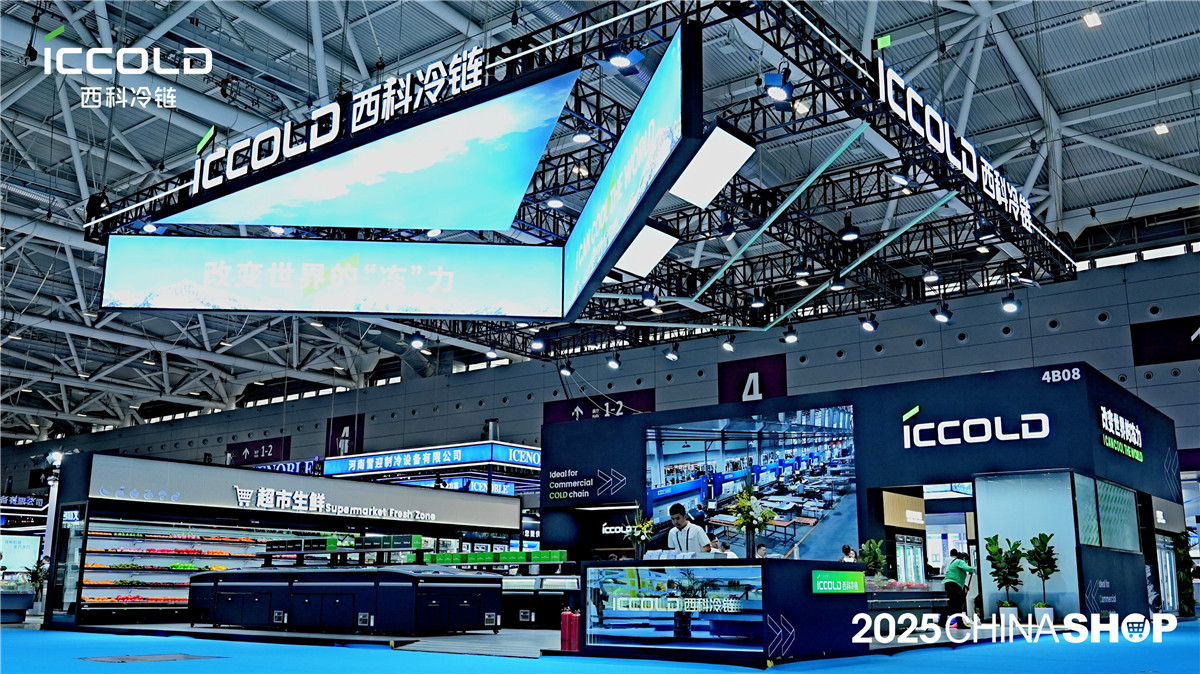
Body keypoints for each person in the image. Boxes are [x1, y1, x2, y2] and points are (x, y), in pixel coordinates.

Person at [938, 549, 975, 629]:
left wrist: (964, 586)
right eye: (966, 561)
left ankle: (943, 622)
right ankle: (958, 623)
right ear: (964, 558)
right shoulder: (960, 561)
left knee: (952, 604)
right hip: (953, 585)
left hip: (951, 584)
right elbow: (968, 568)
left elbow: (957, 576)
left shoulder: (955, 562)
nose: (966, 562)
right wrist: (973, 569)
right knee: (957, 604)